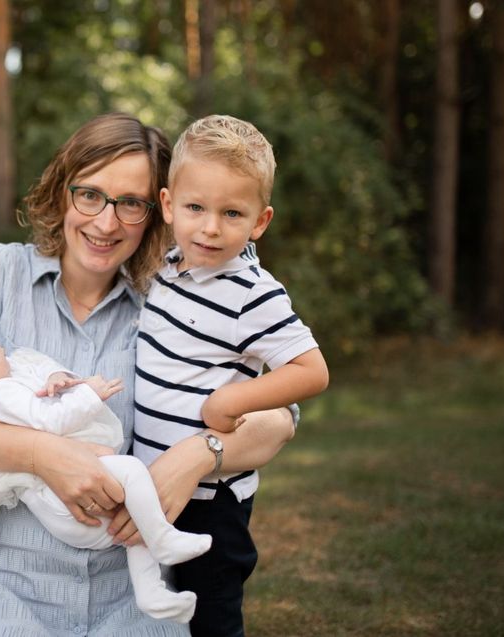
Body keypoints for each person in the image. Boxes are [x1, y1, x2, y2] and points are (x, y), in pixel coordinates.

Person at [0, 112, 298, 636]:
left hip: (130, 593)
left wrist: (196, 458)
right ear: (64, 190)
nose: (106, 223)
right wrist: (45, 456)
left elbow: (279, 417)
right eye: (90, 195)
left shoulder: (173, 299)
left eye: (130, 204)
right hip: (1, 587)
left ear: (158, 212)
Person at [129, 114, 330, 637]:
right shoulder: (169, 268)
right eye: (195, 208)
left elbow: (312, 370)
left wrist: (231, 405)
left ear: (259, 222)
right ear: (169, 205)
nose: (210, 227)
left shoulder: (252, 293)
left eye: (231, 213)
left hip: (211, 500)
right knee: (155, 614)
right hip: (154, 487)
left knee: (210, 617)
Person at [0, 325, 213, 623]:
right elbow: (49, 421)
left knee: (132, 518)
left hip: (67, 505)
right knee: (133, 472)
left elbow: (31, 381)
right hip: (63, 504)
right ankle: (162, 540)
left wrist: (56, 377)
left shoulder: (1, 384)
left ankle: (151, 594)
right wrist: (89, 394)